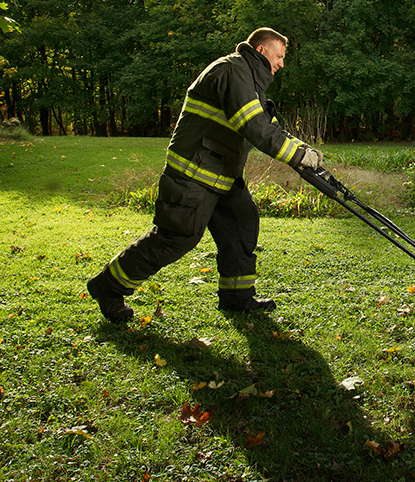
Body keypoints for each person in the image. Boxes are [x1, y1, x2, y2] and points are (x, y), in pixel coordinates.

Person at [87, 28, 323, 322]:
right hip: (194, 174)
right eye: (279, 56)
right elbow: (254, 126)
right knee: (177, 237)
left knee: (241, 221)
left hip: (221, 174)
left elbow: (267, 125)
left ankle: (237, 297)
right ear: (261, 51)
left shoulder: (248, 80)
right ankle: (107, 286)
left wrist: (302, 151)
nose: (281, 64)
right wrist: (300, 156)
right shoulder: (232, 71)